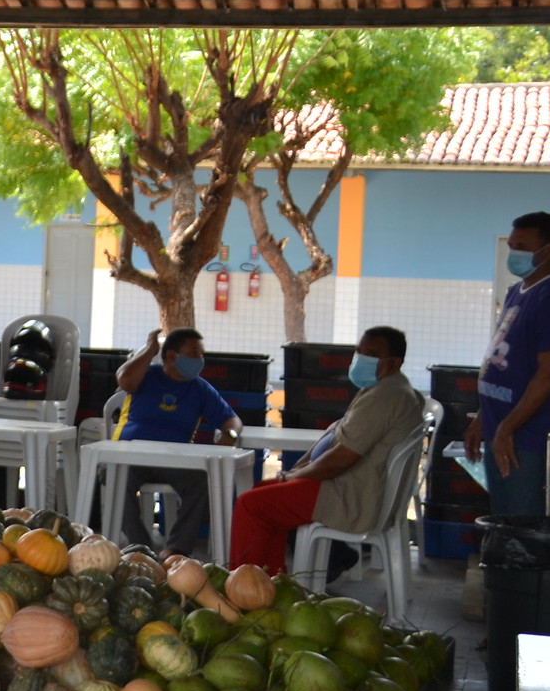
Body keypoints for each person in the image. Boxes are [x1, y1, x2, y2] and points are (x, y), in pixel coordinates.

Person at [229, 326, 426, 574]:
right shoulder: (391, 389)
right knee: (262, 494)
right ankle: (267, 583)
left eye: (372, 354)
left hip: (347, 494)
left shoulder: (386, 396)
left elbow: (342, 459)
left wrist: (295, 475)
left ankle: (243, 588)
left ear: (395, 362)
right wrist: (298, 470)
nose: (362, 358)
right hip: (345, 486)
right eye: (359, 351)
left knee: (251, 504)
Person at [111, 326, 242, 554]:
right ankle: (141, 548)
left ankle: (175, 551)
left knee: (203, 481)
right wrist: (149, 351)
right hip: (131, 455)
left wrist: (229, 436)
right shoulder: (146, 376)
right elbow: (124, 380)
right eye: (194, 353)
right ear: (172, 355)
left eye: (201, 354)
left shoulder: (200, 389)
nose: (200, 360)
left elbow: (232, 420)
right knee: (115, 477)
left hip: (175, 460)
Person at [467, 211, 550, 521]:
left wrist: (508, 427)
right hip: (497, 428)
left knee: (520, 530)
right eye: (512, 246)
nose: (514, 254)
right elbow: (500, 360)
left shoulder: (547, 297)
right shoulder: (517, 292)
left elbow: (546, 374)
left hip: (525, 438)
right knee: (501, 525)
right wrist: (482, 420)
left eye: (523, 247)